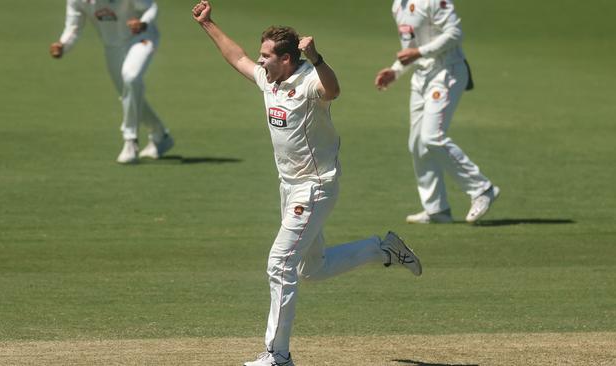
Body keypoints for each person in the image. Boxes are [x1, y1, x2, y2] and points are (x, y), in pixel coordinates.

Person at [192, 1, 422, 365]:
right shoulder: (270, 79)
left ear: (287, 59)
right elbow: (236, 57)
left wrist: (317, 58)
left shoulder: (309, 82)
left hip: (315, 186)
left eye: (267, 55)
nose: (260, 60)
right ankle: (383, 250)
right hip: (289, 186)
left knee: (280, 263)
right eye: (261, 54)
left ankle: (277, 355)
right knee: (311, 269)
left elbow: (334, 90)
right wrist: (208, 24)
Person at [374, 0, 499, 224]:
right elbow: (409, 50)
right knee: (417, 143)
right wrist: (395, 71)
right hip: (422, 77)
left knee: (432, 136)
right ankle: (437, 209)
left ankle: (482, 189)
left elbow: (455, 33)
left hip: (446, 72)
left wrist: (420, 52)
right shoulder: (398, 7)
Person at [50, 0, 174, 164]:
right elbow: (74, 27)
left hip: (141, 37)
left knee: (131, 77)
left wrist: (143, 23)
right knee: (129, 92)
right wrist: (63, 45)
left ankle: (130, 140)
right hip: (113, 46)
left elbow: (151, 7)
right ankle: (160, 135)